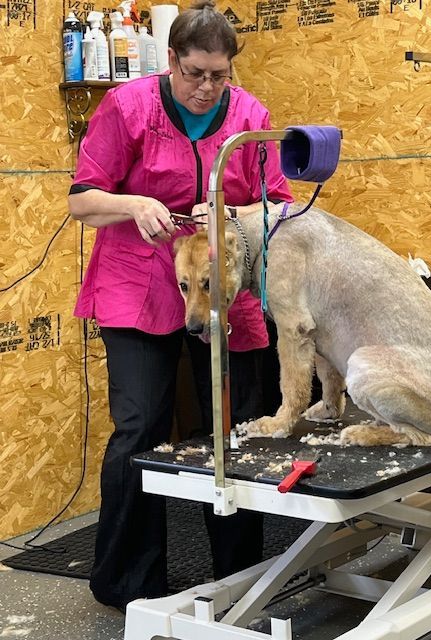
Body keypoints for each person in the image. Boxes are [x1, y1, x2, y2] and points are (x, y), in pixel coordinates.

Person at [68, 0, 292, 611]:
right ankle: (128, 582)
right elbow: (82, 200)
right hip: (138, 280)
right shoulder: (128, 107)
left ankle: (241, 575)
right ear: (170, 61)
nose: (206, 87)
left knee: (233, 430)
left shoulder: (250, 118)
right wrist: (135, 204)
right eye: (194, 73)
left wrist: (232, 218)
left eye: (219, 75)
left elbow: (280, 205)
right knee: (141, 426)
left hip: (225, 290)